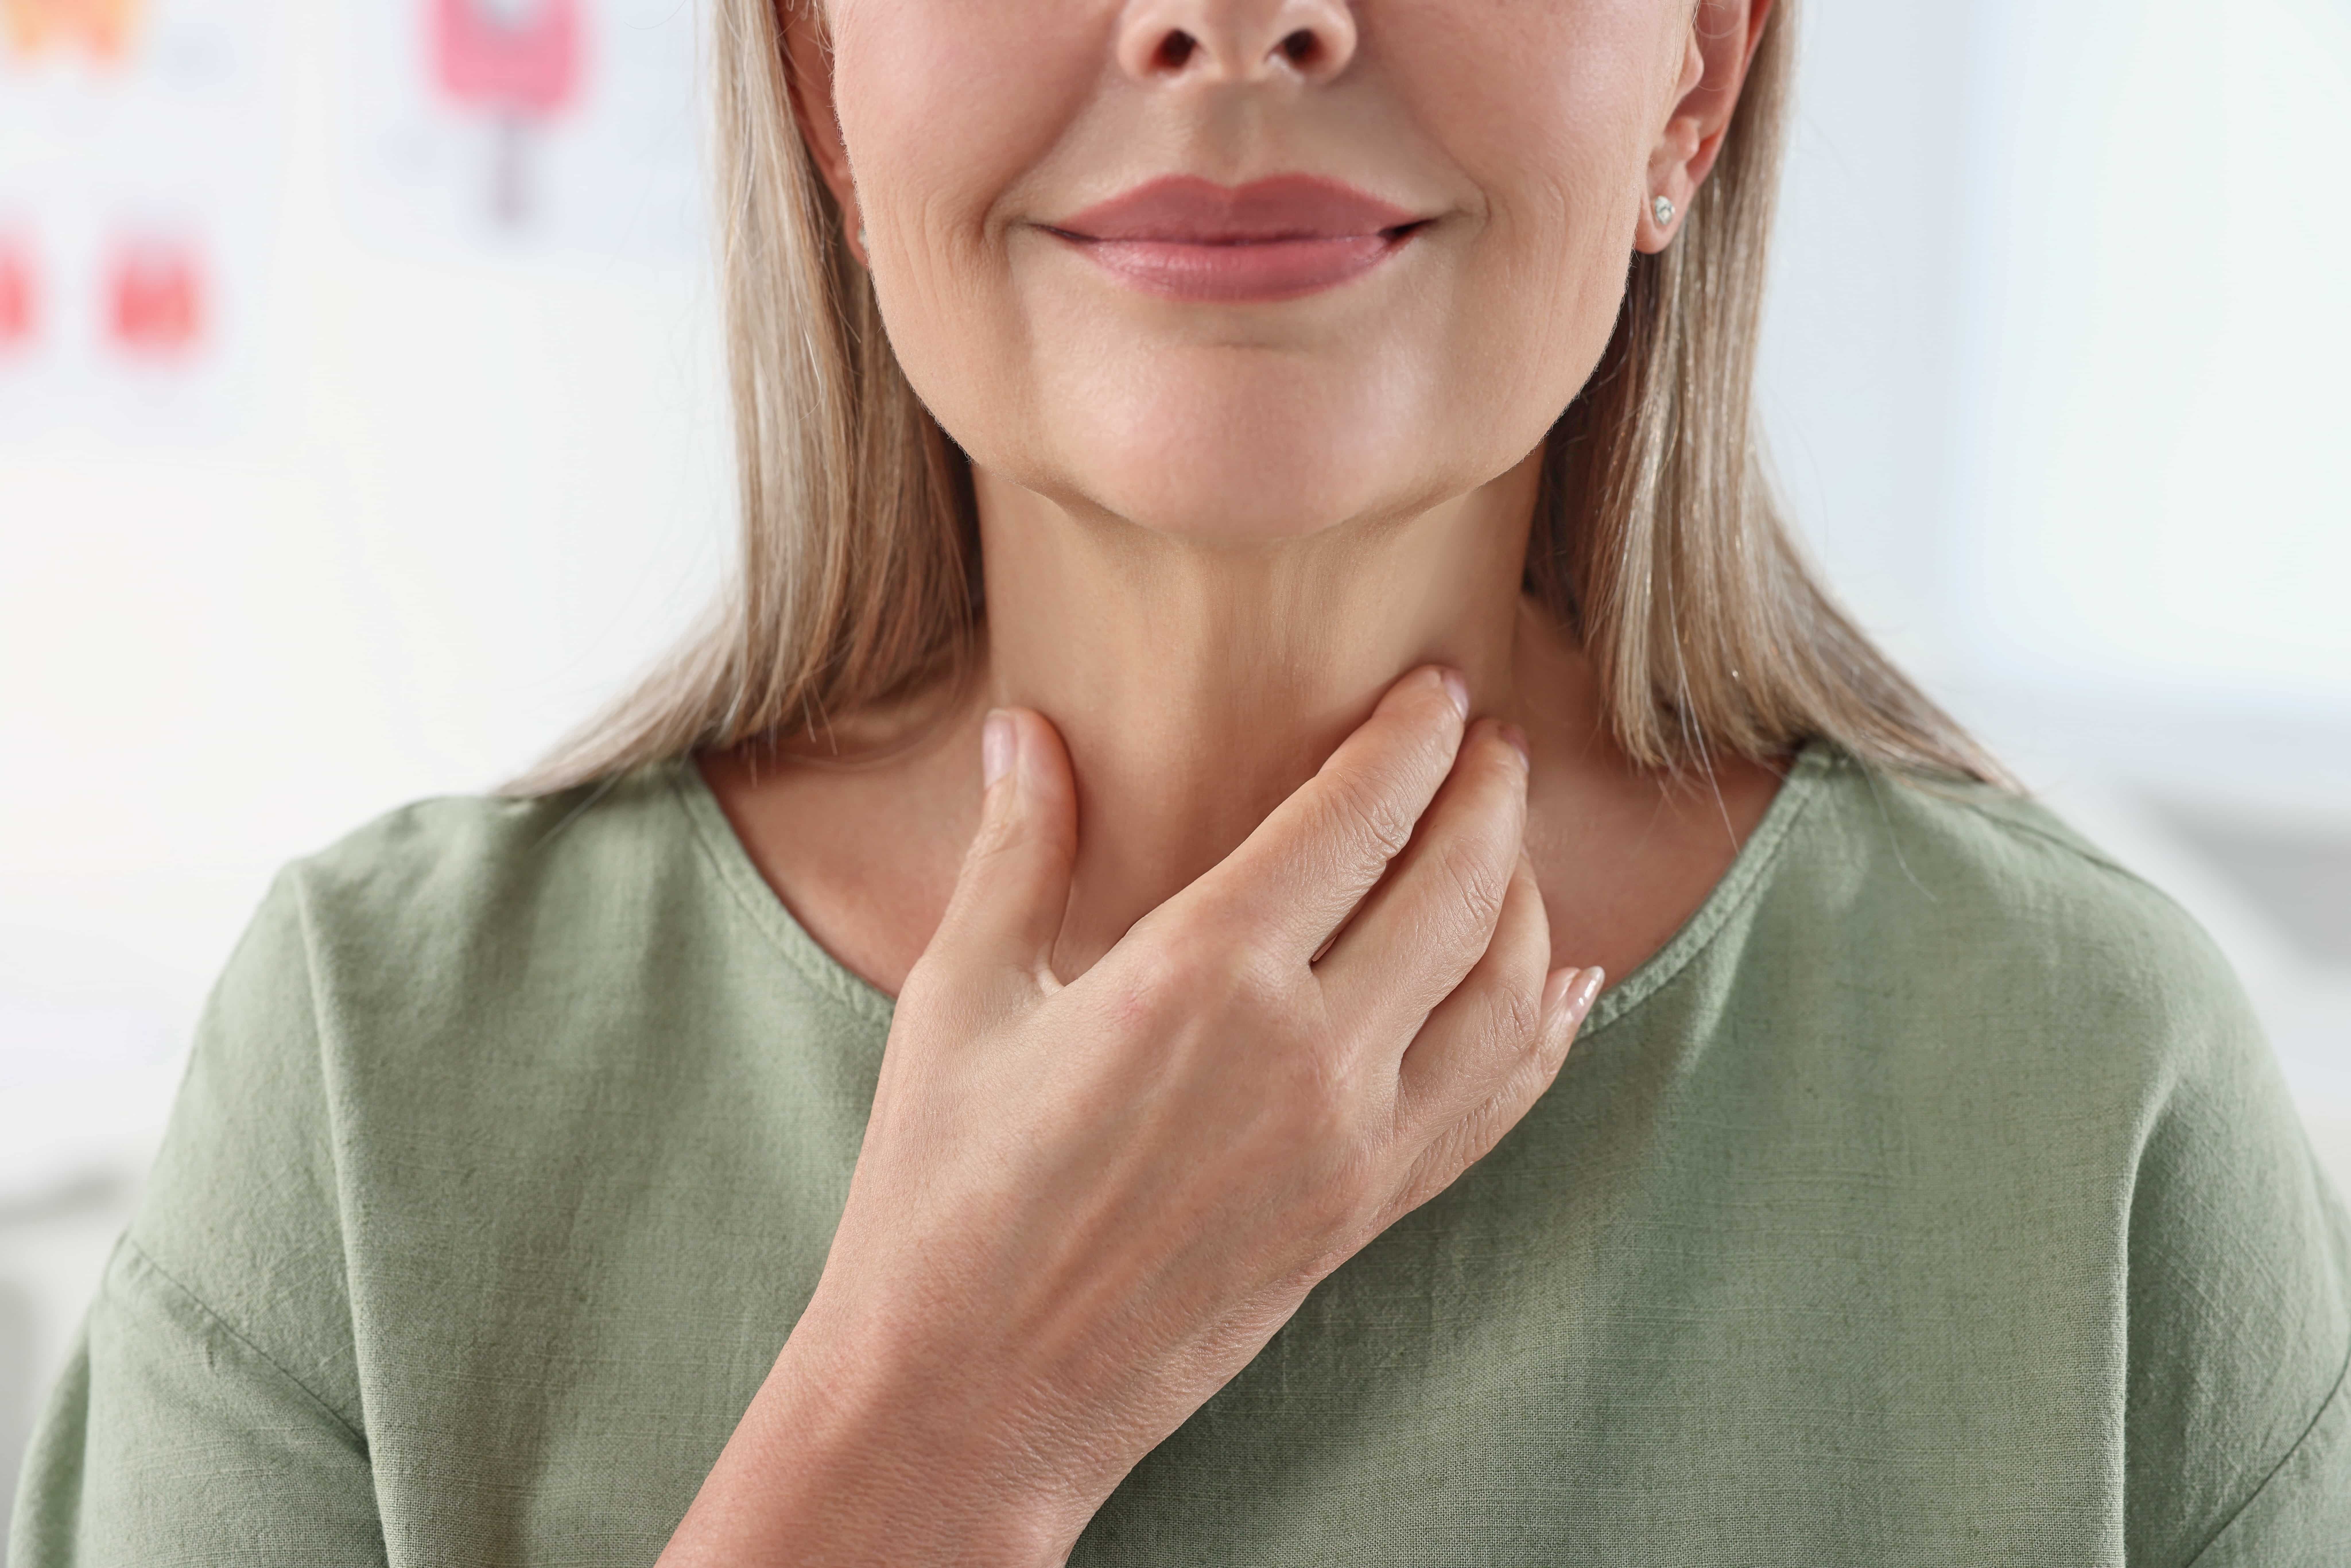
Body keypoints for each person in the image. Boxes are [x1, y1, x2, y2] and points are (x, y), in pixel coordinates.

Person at [14, 0, 2349, 1562]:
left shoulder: (2088, 1103)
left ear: (1699, 70)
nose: (1235, 18)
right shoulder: (365, 1081)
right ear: (826, 75)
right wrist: (942, 1419)